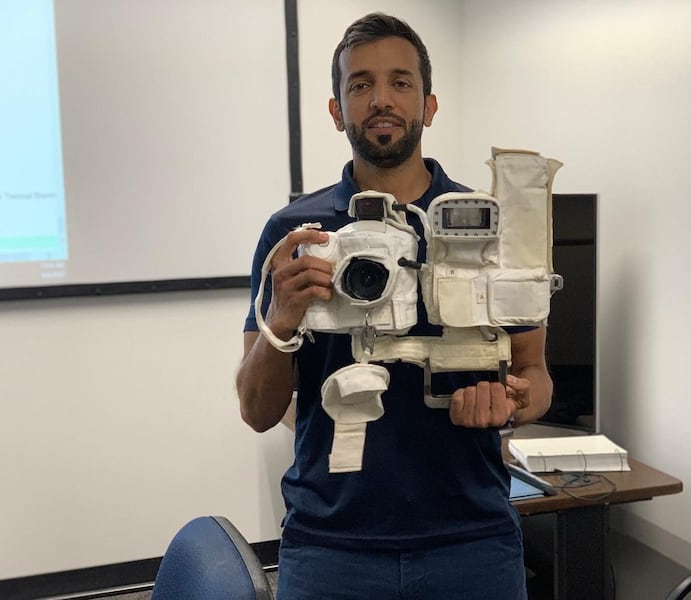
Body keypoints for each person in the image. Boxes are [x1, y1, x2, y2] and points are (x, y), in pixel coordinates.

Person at [236, 12, 553, 600]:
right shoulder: (296, 234)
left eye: (400, 82)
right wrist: (280, 319)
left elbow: (535, 375)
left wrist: (512, 403)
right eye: (360, 85)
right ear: (336, 110)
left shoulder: (489, 228)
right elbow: (257, 410)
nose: (381, 99)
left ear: (429, 105)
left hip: (472, 538)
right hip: (331, 543)